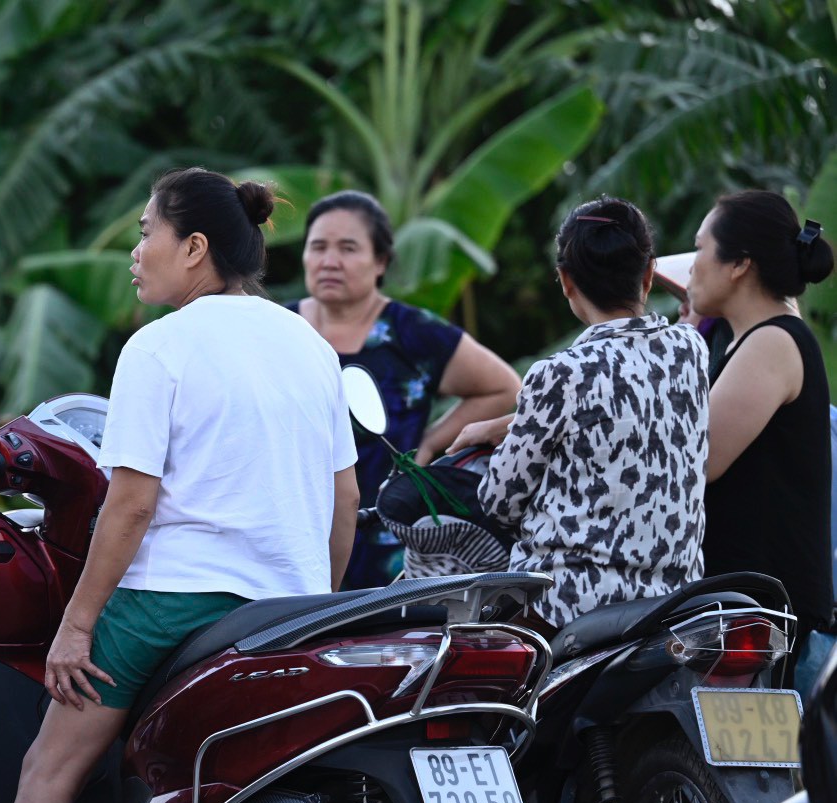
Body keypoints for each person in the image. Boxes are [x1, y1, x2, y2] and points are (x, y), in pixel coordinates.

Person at [0, 167, 359, 803]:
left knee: (46, 773)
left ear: (194, 248)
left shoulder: (160, 348)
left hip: (175, 602)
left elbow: (128, 505)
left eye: (145, 234)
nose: (135, 254)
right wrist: (312, 602)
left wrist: (79, 622)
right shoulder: (309, 345)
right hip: (287, 607)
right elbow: (343, 499)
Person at [452, 196, 709, 631]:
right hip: (673, 601)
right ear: (648, 275)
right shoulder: (691, 350)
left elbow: (499, 501)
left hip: (566, 607)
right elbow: (632, 408)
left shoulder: (560, 374)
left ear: (566, 280)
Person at [292, 191, 520, 588]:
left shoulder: (413, 331)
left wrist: (431, 443)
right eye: (318, 247)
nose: (330, 261)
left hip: (389, 535)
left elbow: (503, 389)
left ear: (380, 261)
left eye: (348, 248)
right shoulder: (280, 327)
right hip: (295, 531)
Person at [691, 190, 834, 655]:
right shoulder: (750, 342)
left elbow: (700, 456)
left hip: (767, 619)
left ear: (738, 265)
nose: (691, 267)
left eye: (699, 250)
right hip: (752, 609)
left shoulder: (773, 340)